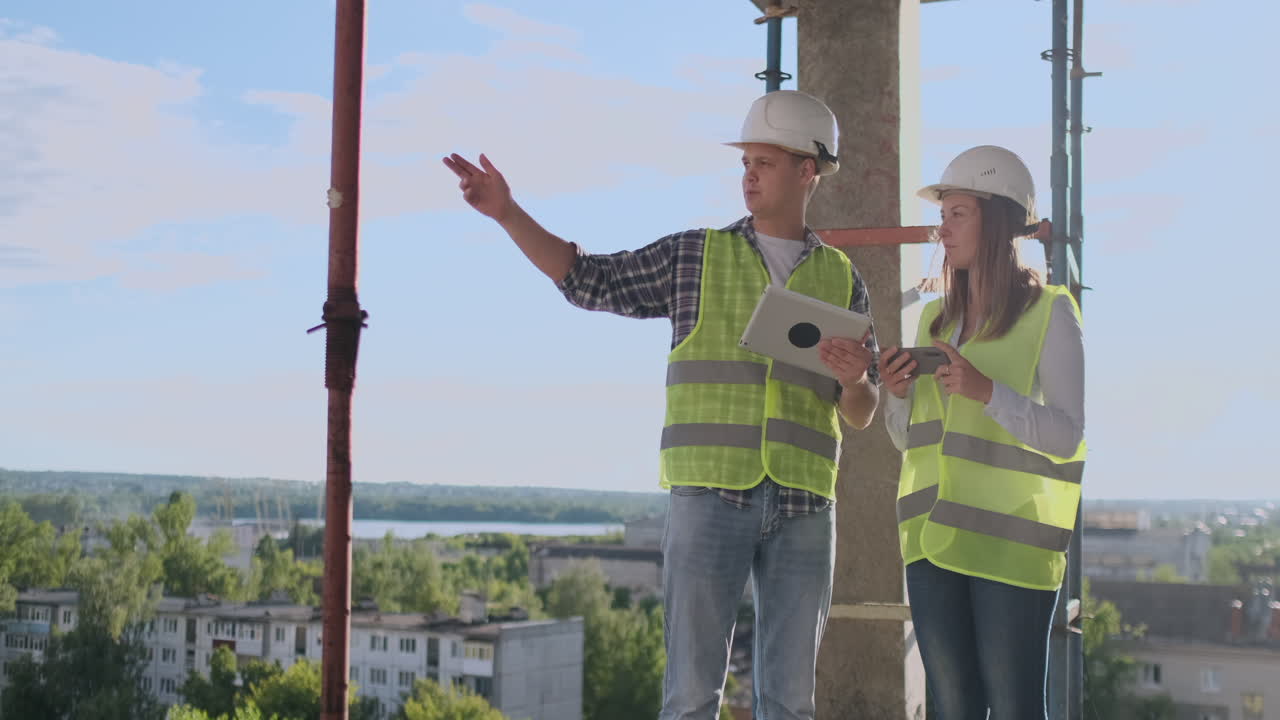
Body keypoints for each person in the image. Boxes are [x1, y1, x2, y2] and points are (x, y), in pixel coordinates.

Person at [443, 89, 880, 720]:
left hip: (806, 504)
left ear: (808, 170)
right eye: (745, 162)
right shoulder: (695, 257)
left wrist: (855, 381)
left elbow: (861, 411)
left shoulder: (843, 278)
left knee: (791, 702)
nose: (749, 174)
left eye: (765, 161)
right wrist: (509, 213)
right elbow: (588, 279)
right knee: (691, 696)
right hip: (709, 498)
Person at [877, 145, 1086, 719]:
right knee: (950, 710)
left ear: (995, 219)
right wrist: (896, 396)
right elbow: (911, 440)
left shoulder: (1050, 313)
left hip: (1011, 550)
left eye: (956, 213)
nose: (942, 229)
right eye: (942, 215)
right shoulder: (932, 319)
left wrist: (987, 391)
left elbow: (1067, 435)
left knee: (1016, 708)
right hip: (931, 544)